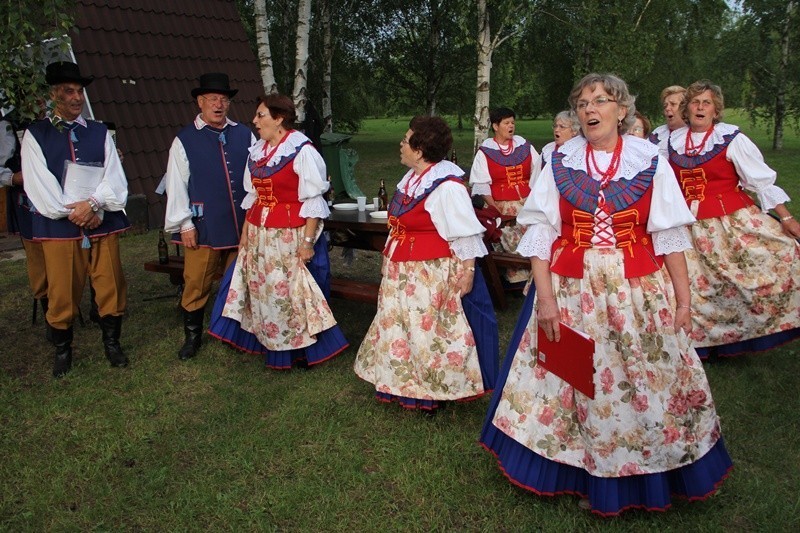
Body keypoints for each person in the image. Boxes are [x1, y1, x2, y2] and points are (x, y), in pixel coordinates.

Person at [480, 74, 732, 515]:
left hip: (635, 292)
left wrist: (685, 303)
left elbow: (670, 238)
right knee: (577, 382)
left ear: (621, 109)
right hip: (573, 289)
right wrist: (547, 300)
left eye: (600, 101)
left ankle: (649, 468)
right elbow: (541, 237)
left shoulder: (649, 159)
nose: (589, 109)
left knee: (641, 378)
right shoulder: (559, 159)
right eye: (582, 103)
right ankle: (579, 470)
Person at [355, 116, 498, 412]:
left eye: (406, 141)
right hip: (404, 269)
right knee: (403, 330)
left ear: (419, 150)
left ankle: (435, 388)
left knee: (431, 333)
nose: (401, 144)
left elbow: (466, 232)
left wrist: (468, 272)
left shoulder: (446, 186)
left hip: (430, 271)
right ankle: (407, 384)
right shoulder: (412, 179)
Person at [208, 94, 348, 369]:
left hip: (289, 235)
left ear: (279, 119)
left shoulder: (301, 150)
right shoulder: (258, 151)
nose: (254, 121)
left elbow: (313, 201)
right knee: (265, 292)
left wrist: (307, 243)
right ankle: (270, 340)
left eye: (261, 115)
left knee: (291, 294)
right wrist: (245, 236)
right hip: (261, 235)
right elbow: (254, 198)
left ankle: (299, 350)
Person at [667, 80, 800, 358]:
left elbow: (760, 181)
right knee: (699, 287)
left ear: (716, 110)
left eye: (707, 103)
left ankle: (752, 335)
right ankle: (703, 347)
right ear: (686, 109)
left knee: (755, 272)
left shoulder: (731, 139)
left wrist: (786, 218)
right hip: (687, 228)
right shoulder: (671, 143)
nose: (700, 107)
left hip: (731, 222)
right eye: (694, 102)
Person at [21, 61, 130, 377]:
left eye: (79, 91)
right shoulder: (35, 135)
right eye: (69, 91)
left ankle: (112, 345)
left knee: (110, 284)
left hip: (102, 221)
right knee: (63, 291)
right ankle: (63, 351)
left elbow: (115, 177)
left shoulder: (99, 131)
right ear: (54, 94)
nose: (76, 97)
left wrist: (95, 204)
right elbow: (39, 186)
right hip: (59, 225)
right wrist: (78, 212)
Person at [164, 73, 255, 360]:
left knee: (238, 280)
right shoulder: (184, 139)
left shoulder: (245, 133)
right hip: (204, 224)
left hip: (240, 223)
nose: (219, 104)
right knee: (196, 280)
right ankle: (192, 336)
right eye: (213, 99)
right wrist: (184, 223)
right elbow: (176, 184)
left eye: (224, 99)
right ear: (200, 102)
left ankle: (233, 332)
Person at [470, 107, 539, 285]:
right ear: (495, 126)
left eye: (513, 123)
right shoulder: (486, 152)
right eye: (506, 123)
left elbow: (539, 173)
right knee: (507, 229)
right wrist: (494, 209)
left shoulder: (524, 147)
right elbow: (481, 184)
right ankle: (517, 276)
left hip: (528, 201)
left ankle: (536, 273)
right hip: (500, 204)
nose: (511, 126)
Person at [2, 114, 49, 322]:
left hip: (55, 194)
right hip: (26, 198)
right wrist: (13, 178)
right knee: (37, 252)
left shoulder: (56, 121)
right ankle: (48, 309)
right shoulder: (7, 126)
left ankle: (66, 299)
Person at [531, 110, 580, 186]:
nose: (556, 130)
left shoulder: (580, 152)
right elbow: (535, 180)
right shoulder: (547, 150)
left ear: (574, 131)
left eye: (562, 127)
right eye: (555, 126)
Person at [649, 85, 686, 149]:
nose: (667, 108)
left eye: (673, 104)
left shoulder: (696, 133)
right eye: (665, 106)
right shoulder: (657, 133)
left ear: (685, 107)